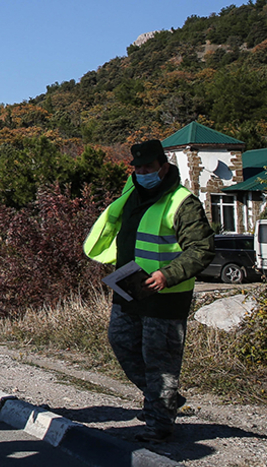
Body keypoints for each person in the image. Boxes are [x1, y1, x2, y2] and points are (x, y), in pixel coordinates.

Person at [83, 139, 215, 444]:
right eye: (138, 167)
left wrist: (167, 275)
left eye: (149, 167)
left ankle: (159, 425)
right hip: (129, 289)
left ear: (163, 167)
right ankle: (165, 401)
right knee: (121, 343)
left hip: (165, 297)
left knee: (160, 363)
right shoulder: (132, 196)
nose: (143, 172)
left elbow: (202, 249)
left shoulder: (183, 203)